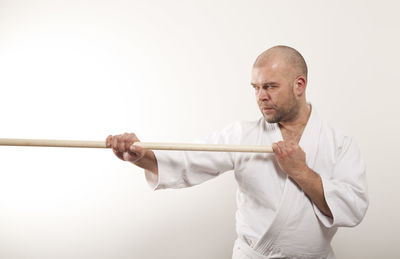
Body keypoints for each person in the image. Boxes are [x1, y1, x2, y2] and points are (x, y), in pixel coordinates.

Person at [106, 45, 368, 259]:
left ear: (299, 85)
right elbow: (193, 157)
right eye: (255, 87)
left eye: (270, 86)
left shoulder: (340, 143)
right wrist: (142, 155)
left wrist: (300, 171)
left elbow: (353, 207)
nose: (260, 96)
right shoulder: (243, 135)